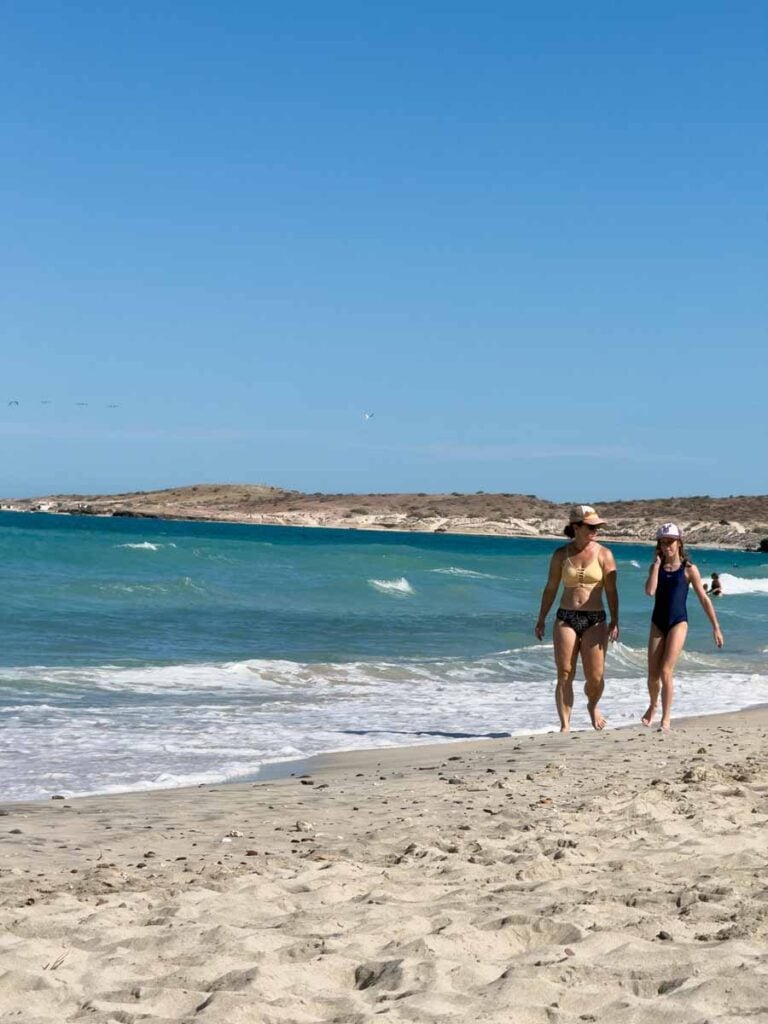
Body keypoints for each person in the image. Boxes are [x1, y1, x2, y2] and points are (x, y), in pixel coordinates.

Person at [535, 505, 619, 731]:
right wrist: (541, 617)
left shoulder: (604, 554)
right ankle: (565, 726)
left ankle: (593, 705)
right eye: (591, 527)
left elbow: (611, 591)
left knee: (595, 677)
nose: (595, 530)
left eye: (597, 527)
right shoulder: (561, 555)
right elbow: (551, 587)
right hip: (566, 617)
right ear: (576, 527)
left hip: (596, 619)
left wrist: (615, 620)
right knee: (564, 672)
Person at [642, 523, 724, 731]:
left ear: (679, 543)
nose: (666, 546)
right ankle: (653, 705)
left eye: (670, 542)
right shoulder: (656, 568)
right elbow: (650, 592)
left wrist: (715, 627)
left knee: (665, 671)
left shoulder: (689, 570)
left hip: (678, 622)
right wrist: (656, 566)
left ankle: (665, 719)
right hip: (657, 623)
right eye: (663, 542)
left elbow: (704, 600)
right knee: (652, 675)